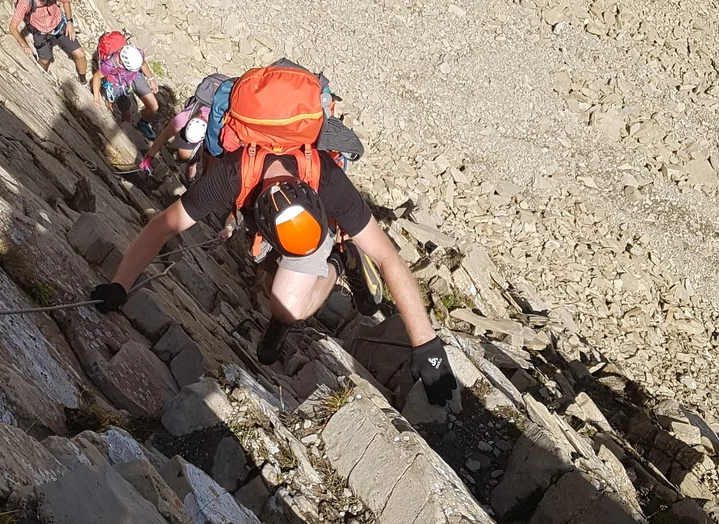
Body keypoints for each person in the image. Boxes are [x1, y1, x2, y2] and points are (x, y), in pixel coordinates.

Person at [90, 66, 458, 406]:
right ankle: (280, 311)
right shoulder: (232, 175)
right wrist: (119, 285)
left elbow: (386, 256)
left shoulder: (326, 178)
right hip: (261, 223)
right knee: (269, 275)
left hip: (308, 236)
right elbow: (163, 226)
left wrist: (428, 345)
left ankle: (336, 261)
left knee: (288, 304)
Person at [91, 41, 160, 140]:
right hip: (117, 83)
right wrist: (96, 99)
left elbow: (143, 64)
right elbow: (97, 77)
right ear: (122, 63)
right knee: (126, 114)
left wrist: (151, 79)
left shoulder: (137, 55)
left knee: (154, 106)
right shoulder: (110, 65)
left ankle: (143, 123)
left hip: (135, 77)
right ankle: (126, 135)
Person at [8, 0, 87, 82]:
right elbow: (12, 27)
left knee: (80, 55)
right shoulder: (25, 2)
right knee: (44, 61)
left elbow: (66, 1)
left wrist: (69, 22)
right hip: (40, 32)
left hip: (59, 25)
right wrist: (24, 44)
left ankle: (83, 80)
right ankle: (41, 80)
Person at [139, 103, 209, 180]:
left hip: (208, 129)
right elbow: (164, 136)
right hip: (192, 120)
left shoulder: (216, 126)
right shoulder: (182, 118)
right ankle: (193, 159)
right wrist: (148, 158)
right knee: (183, 157)